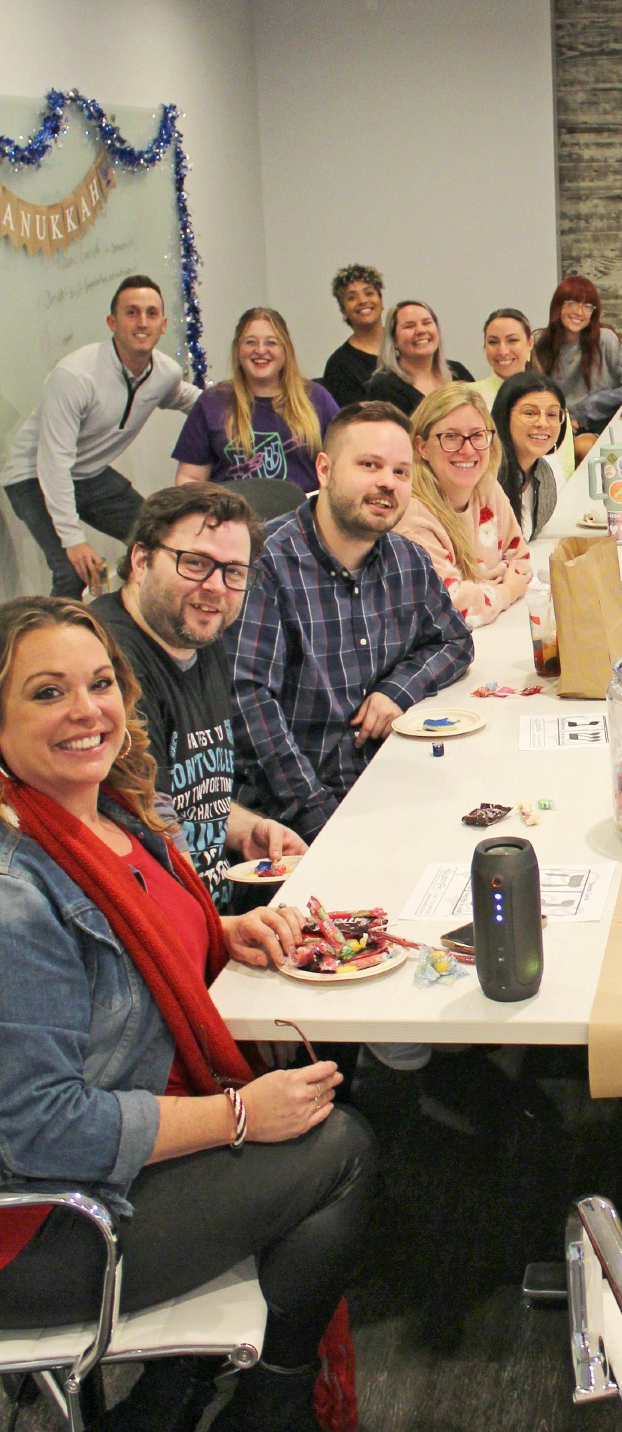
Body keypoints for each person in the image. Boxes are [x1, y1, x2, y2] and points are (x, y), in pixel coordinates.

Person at [0, 596, 374, 1432]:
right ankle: (265, 1402)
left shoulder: (113, 815)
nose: (86, 710)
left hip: (114, 1161)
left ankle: (181, 1395)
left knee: (329, 1123)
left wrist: (218, 929)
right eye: (45, 693)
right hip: (45, 1222)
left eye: (99, 683)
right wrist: (239, 1117)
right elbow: (41, 1129)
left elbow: (142, 945)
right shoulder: (16, 895)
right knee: (342, 1149)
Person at [229, 402, 474, 842]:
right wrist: (320, 819)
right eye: (369, 465)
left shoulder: (407, 559)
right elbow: (249, 703)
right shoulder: (265, 565)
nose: (387, 482)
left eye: (401, 472)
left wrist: (394, 691)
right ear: (324, 470)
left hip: (390, 783)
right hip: (295, 816)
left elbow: (454, 641)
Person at [92, 484, 307, 909]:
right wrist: (218, 934)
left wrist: (246, 828)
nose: (216, 587)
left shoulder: (198, 633)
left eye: (234, 572)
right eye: (194, 563)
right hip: (177, 929)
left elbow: (188, 792)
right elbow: (143, 830)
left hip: (213, 913)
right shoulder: (108, 665)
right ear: (140, 560)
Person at [3, 275, 200, 600]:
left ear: (164, 324)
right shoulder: (75, 377)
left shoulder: (164, 373)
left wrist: (237, 409)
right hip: (32, 476)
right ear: (112, 322)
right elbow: (53, 465)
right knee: (71, 572)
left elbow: (189, 399)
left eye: (151, 314)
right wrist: (73, 540)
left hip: (88, 474)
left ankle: (138, 623)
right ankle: (50, 646)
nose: (142, 322)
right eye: (131, 312)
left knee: (158, 539)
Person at [396, 383, 532, 628]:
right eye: (451, 437)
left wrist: (479, 591)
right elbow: (450, 608)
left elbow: (520, 561)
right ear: (422, 447)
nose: (468, 450)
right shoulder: (412, 517)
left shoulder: (487, 488)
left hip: (494, 632)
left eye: (478, 435)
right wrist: (506, 591)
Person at [172, 307, 337, 493]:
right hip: (233, 518)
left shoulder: (316, 399)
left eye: (271, 342)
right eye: (251, 342)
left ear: (286, 350)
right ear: (237, 350)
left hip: (303, 516)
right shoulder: (211, 403)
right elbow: (190, 477)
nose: (260, 350)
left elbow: (341, 465)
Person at [531, 275, 622, 449]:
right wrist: (559, 418)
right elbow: (530, 394)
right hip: (551, 427)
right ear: (558, 305)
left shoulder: (605, 341)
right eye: (572, 303)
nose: (579, 312)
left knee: (584, 447)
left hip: (598, 429)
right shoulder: (538, 342)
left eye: (587, 306)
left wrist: (594, 404)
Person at [362, 299, 473, 417]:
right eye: (409, 326)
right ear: (394, 340)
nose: (420, 330)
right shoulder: (384, 386)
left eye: (427, 323)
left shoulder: (458, 371)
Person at [493, 372, 566, 541]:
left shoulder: (544, 473)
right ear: (504, 416)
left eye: (552, 414)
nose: (542, 423)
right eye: (530, 413)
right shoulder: (486, 475)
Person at [319, 263, 385, 408]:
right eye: (351, 298)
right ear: (344, 312)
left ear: (381, 301)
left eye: (369, 293)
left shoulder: (406, 344)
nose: (362, 301)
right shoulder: (339, 365)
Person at [470, 307, 535, 409]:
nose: (502, 351)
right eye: (493, 342)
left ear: (530, 343)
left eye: (512, 340)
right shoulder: (467, 396)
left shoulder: (548, 395)